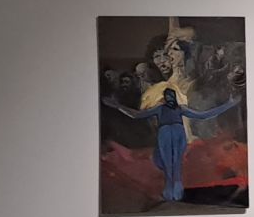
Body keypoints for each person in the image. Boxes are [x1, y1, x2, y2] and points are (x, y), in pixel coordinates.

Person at [102, 87, 241, 202]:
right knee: (168, 163)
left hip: (177, 134)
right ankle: (170, 193)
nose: (169, 98)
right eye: (167, 96)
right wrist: (117, 106)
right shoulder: (160, 109)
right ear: (164, 97)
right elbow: (136, 115)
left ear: (174, 97)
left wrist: (228, 105)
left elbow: (203, 115)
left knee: (176, 163)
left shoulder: (180, 109)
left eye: (171, 95)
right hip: (165, 134)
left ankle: (177, 193)